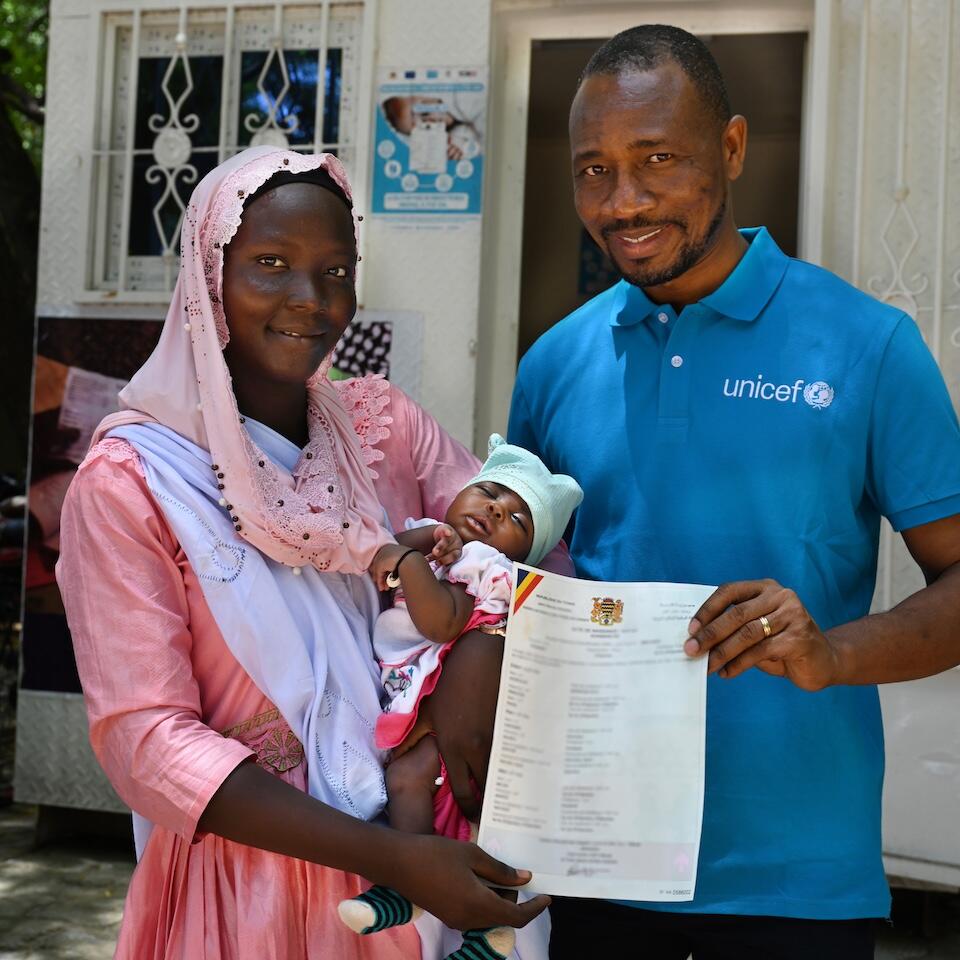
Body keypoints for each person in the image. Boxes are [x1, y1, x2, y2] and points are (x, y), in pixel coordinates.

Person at [501, 23, 960, 960]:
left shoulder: (868, 347)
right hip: (596, 873)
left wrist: (831, 652)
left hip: (797, 893)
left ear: (734, 148)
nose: (623, 201)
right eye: (593, 170)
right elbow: (509, 602)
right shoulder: (554, 363)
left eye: (658, 159)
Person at [56, 145, 549, 959]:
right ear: (208, 276)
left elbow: (521, 566)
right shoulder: (133, 482)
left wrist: (477, 654)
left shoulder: (379, 428)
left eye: (335, 271)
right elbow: (146, 741)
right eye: (270, 265)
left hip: (427, 860)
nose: (310, 302)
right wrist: (394, 858)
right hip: (248, 895)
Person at [338, 434, 582, 960]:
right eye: (490, 492)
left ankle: (482, 928)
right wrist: (426, 540)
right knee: (418, 787)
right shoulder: (452, 551)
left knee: (486, 815)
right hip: (431, 702)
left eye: (518, 520)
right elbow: (397, 549)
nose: (497, 509)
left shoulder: (494, 573)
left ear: (528, 553)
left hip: (475, 716)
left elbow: (442, 619)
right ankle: (412, 885)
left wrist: (409, 563)